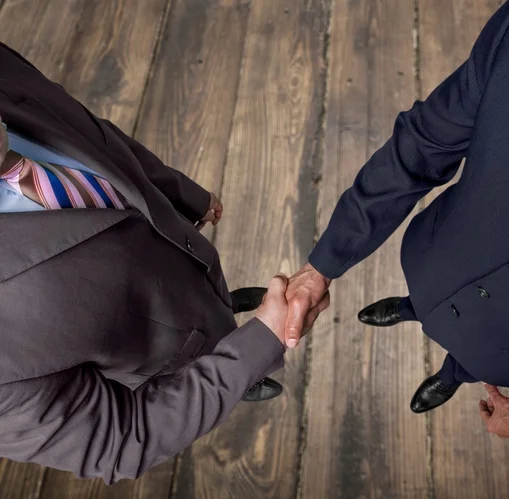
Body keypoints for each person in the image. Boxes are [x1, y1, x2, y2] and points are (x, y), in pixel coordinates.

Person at [0, 41, 328, 484]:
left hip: (179, 251)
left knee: (207, 300)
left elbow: (89, 131)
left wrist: (174, 189)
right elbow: (123, 439)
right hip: (168, 358)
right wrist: (255, 348)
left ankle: (221, 310)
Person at [284, 0, 509, 445]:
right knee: (423, 298)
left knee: (472, 360)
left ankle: (452, 376)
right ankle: (408, 307)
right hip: (436, 256)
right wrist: (322, 264)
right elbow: (424, 141)